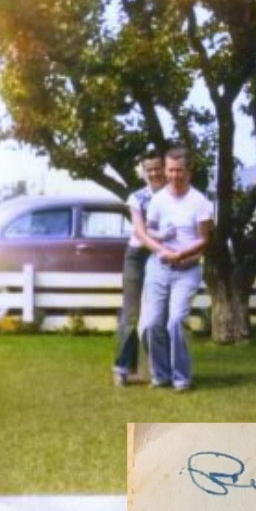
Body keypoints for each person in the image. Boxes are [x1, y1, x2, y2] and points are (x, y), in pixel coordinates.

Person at [138, 148, 214, 391]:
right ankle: (160, 376)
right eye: (170, 170)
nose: (174, 175)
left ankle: (181, 378)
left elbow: (204, 239)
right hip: (159, 266)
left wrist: (182, 254)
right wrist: (162, 247)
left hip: (187, 269)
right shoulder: (158, 200)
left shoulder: (200, 202)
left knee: (175, 321)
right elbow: (149, 230)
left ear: (188, 172)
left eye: (179, 170)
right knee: (151, 324)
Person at [112, 146, 167, 387]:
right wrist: (166, 237)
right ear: (143, 173)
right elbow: (140, 230)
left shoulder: (175, 196)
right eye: (149, 170)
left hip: (164, 256)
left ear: (165, 169)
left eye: (157, 169)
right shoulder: (137, 197)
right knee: (131, 313)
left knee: (159, 315)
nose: (154, 173)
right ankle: (122, 368)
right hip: (138, 255)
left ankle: (161, 370)